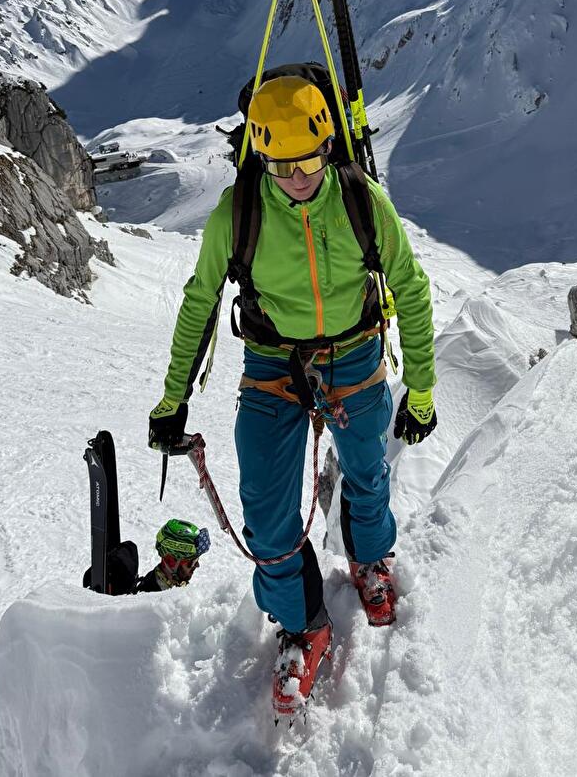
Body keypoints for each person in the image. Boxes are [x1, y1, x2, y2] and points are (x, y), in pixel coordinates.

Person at [147, 74, 437, 715]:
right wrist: (174, 398)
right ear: (259, 154)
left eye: (309, 160)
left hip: (355, 354)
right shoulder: (240, 212)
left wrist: (422, 388)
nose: (297, 176)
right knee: (266, 508)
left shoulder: (361, 202)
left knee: (365, 472)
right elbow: (200, 301)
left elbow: (410, 289)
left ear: (329, 144)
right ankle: (303, 622)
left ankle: (369, 561)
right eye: (281, 164)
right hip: (273, 363)